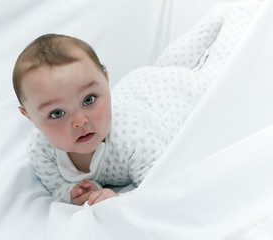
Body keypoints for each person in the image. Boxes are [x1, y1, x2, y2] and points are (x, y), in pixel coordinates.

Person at [12, 33, 207, 206]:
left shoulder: (133, 139)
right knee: (169, 64)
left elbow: (162, 185)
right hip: (139, 92)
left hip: (170, 94)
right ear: (28, 116)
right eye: (57, 113)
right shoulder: (41, 149)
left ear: (106, 81)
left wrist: (121, 201)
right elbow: (56, 184)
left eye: (89, 100)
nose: (80, 121)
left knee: (211, 73)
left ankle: (226, 14)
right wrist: (71, 193)